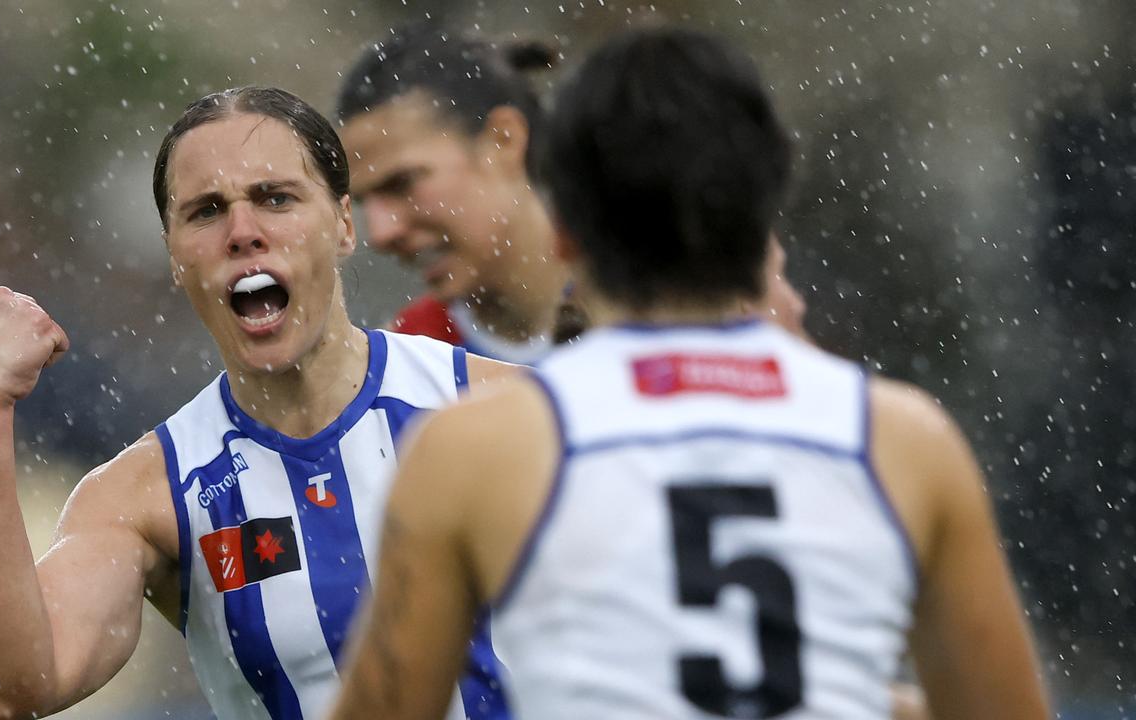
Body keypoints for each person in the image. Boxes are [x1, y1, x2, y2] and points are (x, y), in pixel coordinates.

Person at [328, 28, 1049, 720]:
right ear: (765, 209)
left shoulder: (467, 448)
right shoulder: (906, 441)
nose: (384, 229)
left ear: (564, 227)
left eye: (403, 184)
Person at [0, 86, 515, 720]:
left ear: (345, 224)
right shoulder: (146, 496)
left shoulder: (510, 410)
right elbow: (14, 685)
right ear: (174, 257)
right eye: (207, 210)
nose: (244, 232)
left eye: (275, 198)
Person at [336, 25, 808, 360]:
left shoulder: (701, 299)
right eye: (364, 203)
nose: (380, 231)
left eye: (402, 184)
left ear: (504, 140)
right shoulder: (403, 364)